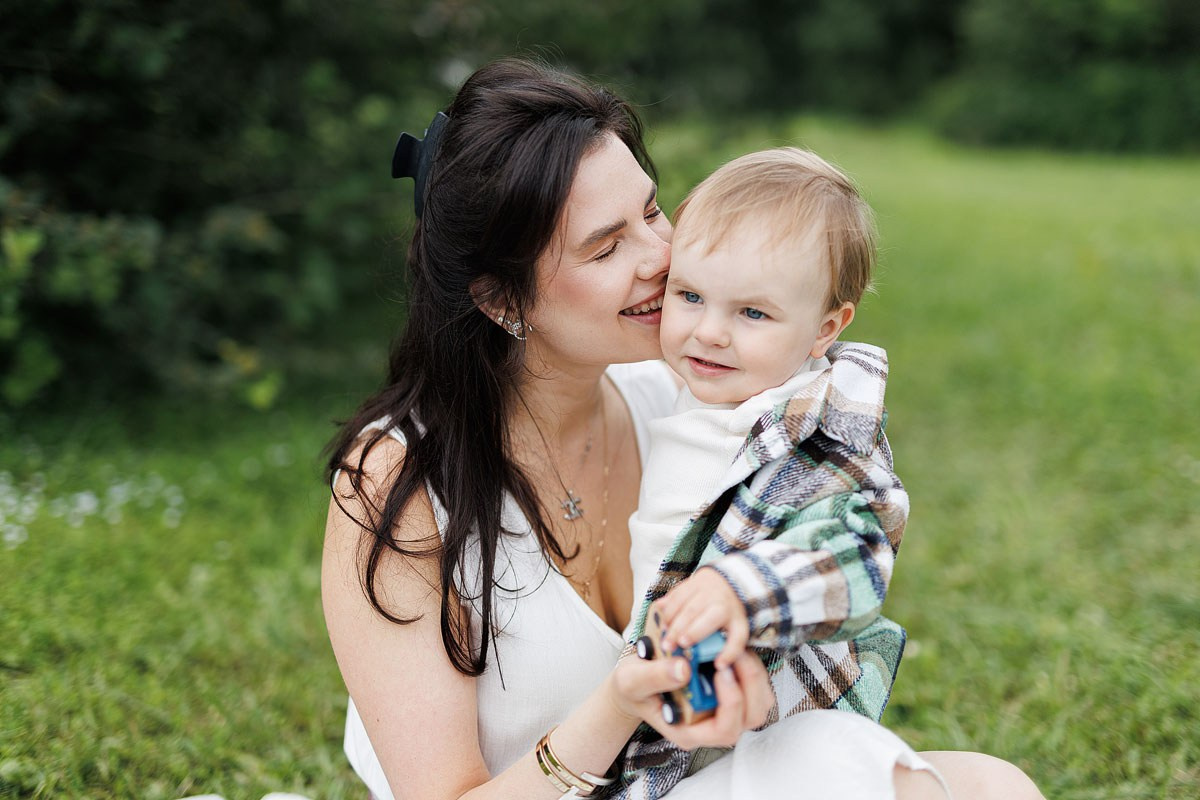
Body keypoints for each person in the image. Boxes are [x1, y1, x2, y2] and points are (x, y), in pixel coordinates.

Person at [321, 57, 1044, 800]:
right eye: (606, 247)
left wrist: (751, 682)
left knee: (993, 786)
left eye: (653, 211)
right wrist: (621, 704)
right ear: (503, 300)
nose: (662, 258)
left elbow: (838, 517)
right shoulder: (393, 485)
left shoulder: (689, 402)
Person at [617, 147, 909, 793]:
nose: (710, 332)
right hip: (679, 706)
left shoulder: (814, 433)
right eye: (689, 295)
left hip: (783, 723)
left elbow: (857, 549)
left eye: (752, 313)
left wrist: (741, 591)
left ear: (824, 329)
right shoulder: (682, 387)